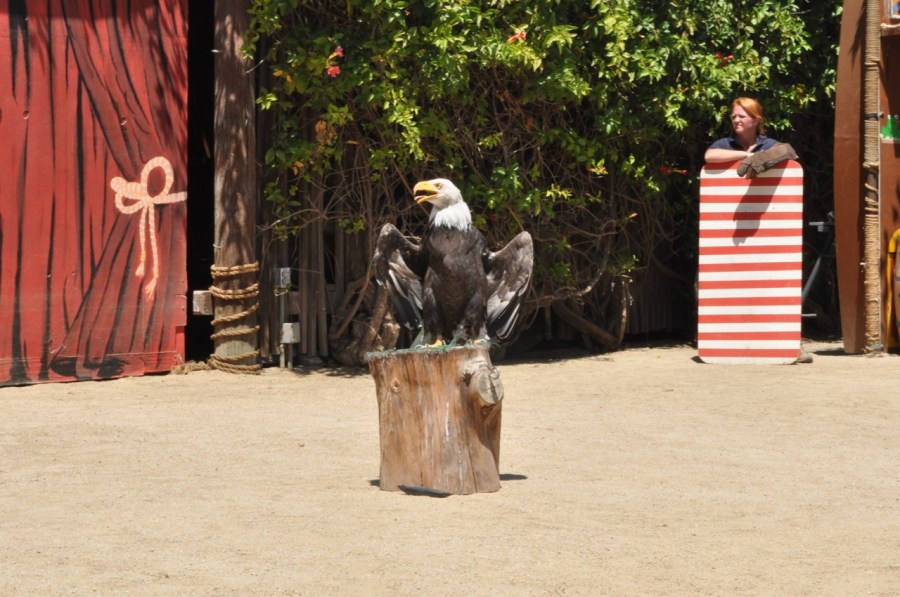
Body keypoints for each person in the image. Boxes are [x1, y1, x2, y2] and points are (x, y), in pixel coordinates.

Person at [704, 97, 780, 163]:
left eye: (741, 116)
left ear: (756, 121)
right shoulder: (725, 144)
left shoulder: (768, 145)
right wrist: (748, 155)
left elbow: (784, 153)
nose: (736, 120)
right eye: (733, 117)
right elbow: (709, 156)